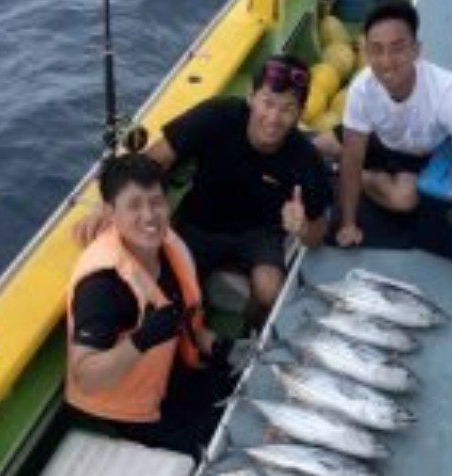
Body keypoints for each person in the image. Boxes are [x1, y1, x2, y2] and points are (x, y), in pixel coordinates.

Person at [75, 54, 333, 329]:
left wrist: (302, 227)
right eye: (267, 103)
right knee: (162, 290)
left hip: (259, 234)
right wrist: (109, 202)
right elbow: (155, 160)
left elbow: (318, 234)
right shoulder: (216, 116)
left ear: (300, 113)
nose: (273, 118)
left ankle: (251, 336)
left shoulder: (306, 159)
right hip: (199, 225)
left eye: (287, 109)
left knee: (270, 291)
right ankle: (190, 328)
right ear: (251, 97)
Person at [67, 153, 233, 459]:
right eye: (134, 205)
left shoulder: (165, 245)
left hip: (176, 373)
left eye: (156, 202)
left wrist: (221, 347)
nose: (149, 216)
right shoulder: (103, 286)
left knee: (250, 397)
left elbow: (184, 323)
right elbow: (86, 377)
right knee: (224, 450)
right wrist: (142, 339)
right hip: (135, 408)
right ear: (109, 213)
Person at [323, 0, 452, 248]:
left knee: (404, 199)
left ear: (416, 50)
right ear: (366, 53)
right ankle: (340, 168)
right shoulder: (361, 89)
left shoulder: (446, 91)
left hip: (420, 154)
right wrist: (348, 224)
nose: (386, 61)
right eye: (376, 49)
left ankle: (354, 176)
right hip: (378, 136)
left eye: (397, 48)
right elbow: (353, 157)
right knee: (317, 146)